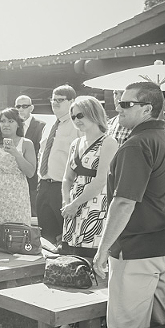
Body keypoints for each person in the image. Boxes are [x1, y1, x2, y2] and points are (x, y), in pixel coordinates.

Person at [93, 81, 165, 328]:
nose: (117, 109)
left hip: (138, 250)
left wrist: (102, 248)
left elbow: (123, 202)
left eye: (125, 104)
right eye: (117, 103)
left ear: (147, 108)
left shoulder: (136, 144)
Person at [61, 96, 118, 256]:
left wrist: (75, 204)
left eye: (80, 115)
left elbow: (101, 180)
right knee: (71, 255)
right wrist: (67, 203)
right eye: (73, 117)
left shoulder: (108, 142)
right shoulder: (76, 143)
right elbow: (67, 178)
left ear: (93, 113)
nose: (76, 120)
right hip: (72, 205)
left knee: (90, 253)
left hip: (95, 203)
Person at [0, 108, 36, 248]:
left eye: (10, 121)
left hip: (16, 196)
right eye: (3, 121)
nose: (5, 124)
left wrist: (16, 154)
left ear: (18, 124)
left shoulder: (26, 143)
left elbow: (30, 172)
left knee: (16, 236)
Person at [37, 85, 81, 243]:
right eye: (53, 99)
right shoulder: (49, 124)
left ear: (72, 101)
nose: (55, 103)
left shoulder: (78, 124)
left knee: (64, 235)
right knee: (45, 236)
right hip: (44, 185)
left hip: (63, 187)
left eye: (60, 100)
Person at [16, 95, 46, 216]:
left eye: (24, 106)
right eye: (18, 106)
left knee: (32, 214)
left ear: (31, 108)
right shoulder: (11, 126)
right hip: (14, 178)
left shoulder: (41, 126)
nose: (21, 109)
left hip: (32, 179)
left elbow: (41, 151)